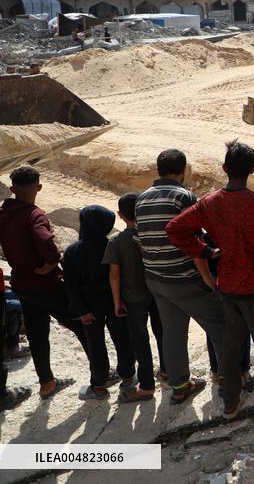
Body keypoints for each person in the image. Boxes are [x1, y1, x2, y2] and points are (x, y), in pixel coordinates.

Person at [167, 141, 254, 434]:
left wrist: (206, 251)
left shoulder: (209, 202)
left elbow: (175, 229)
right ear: (253, 170)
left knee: (230, 348)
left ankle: (230, 405)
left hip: (228, 286)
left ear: (224, 169)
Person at [136, 148, 233, 405]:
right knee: (221, 327)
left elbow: (143, 241)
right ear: (183, 171)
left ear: (158, 171)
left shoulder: (141, 199)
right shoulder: (183, 196)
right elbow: (194, 242)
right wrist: (207, 279)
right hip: (184, 277)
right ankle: (228, 383)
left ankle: (179, 387)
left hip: (156, 278)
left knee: (173, 334)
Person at [0, 166, 93, 406]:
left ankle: (47, 382)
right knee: (80, 324)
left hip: (21, 283)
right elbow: (44, 240)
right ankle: (100, 375)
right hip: (45, 283)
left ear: (12, 189)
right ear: (39, 187)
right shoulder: (34, 214)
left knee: (37, 334)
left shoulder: (4, 213)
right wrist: (52, 261)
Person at [63, 205, 136, 399]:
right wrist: (120, 301)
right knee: (122, 339)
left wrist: (82, 310)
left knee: (95, 344)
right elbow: (121, 276)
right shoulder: (112, 245)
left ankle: (99, 385)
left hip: (88, 307)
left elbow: (71, 286)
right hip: (114, 302)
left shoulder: (72, 251)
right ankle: (128, 377)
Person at [106, 192, 166, 403]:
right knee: (162, 333)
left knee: (140, 341)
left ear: (120, 215)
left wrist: (116, 302)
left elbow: (114, 274)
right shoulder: (151, 234)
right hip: (157, 293)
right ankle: (167, 371)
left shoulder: (116, 241)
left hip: (132, 298)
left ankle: (147, 385)